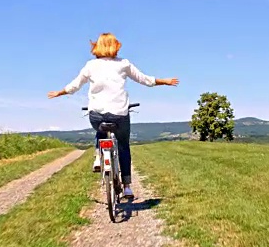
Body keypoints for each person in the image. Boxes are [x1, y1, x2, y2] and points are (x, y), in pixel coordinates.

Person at [47, 33, 179, 199]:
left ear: (97, 47)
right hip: (119, 115)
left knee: (100, 127)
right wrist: (164, 81)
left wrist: (60, 92)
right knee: (123, 144)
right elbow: (144, 79)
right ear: (115, 46)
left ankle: (97, 156)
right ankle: (128, 186)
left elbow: (74, 86)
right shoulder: (123, 64)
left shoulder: (90, 65)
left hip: (96, 115)